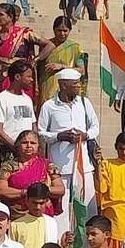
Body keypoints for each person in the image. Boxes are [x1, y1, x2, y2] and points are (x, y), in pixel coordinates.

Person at [38, 68, 99, 235]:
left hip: (83, 166)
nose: (78, 87)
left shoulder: (85, 103)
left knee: (87, 208)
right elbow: (41, 133)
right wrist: (59, 136)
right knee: (62, 210)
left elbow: (95, 127)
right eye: (75, 84)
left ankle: (88, 244)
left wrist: (85, 135)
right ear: (63, 85)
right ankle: (61, 245)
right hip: (59, 169)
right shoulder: (49, 106)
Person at [0, 3, 52, 100]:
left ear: (10, 17)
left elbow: (50, 45)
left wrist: (35, 60)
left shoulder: (24, 34)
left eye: (0, 15)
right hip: (1, 81)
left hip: (21, 81)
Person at [0, 130, 64, 217]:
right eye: (24, 142)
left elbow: (60, 189)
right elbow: (0, 190)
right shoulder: (8, 166)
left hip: (42, 215)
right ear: (17, 145)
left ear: (38, 146)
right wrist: (26, 192)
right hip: (16, 216)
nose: (29, 145)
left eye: (33, 143)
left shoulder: (47, 165)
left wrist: (42, 190)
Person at [10, 182, 64, 248]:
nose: (38, 207)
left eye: (41, 203)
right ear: (27, 201)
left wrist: (63, 245)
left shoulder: (51, 223)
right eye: (34, 203)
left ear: (47, 201)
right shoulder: (15, 225)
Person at [39, 16, 86, 104]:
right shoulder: (46, 46)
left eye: (65, 31)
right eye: (59, 30)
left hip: (66, 89)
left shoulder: (75, 48)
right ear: (54, 30)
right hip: (47, 88)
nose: (62, 34)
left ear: (70, 30)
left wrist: (62, 67)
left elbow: (81, 70)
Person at [0, 60, 36, 148]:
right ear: (17, 77)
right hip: (9, 150)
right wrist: (16, 147)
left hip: (27, 151)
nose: (31, 80)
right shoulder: (1, 99)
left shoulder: (27, 99)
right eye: (28, 76)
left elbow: (33, 126)